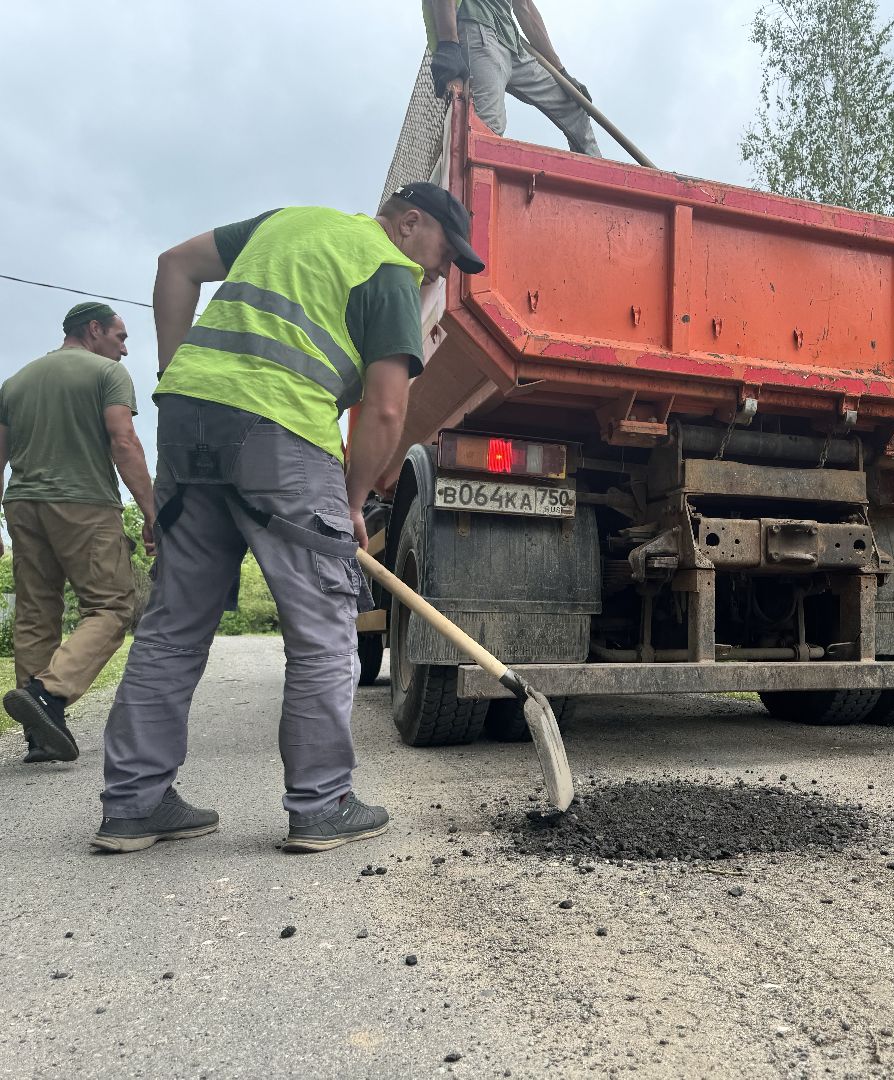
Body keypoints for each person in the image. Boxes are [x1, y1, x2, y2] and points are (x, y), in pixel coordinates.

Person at [94, 183, 484, 854]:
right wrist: (353, 501)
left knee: (173, 623)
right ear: (411, 224)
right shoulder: (388, 268)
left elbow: (173, 264)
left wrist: (175, 370)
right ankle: (322, 802)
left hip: (189, 423)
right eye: (444, 257)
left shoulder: (287, 222)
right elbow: (389, 411)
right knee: (325, 626)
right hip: (279, 434)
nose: (440, 274)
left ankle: (133, 803)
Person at [0, 302, 156, 764]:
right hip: (83, 502)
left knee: (34, 610)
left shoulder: (17, 381)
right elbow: (123, 441)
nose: (125, 350)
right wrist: (151, 512)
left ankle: (41, 735)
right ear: (94, 330)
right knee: (110, 606)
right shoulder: (106, 375)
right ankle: (48, 695)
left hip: (22, 504)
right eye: (120, 337)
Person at [425, 0, 602, 158]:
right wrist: (448, 43)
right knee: (485, 130)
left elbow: (525, 7)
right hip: (479, 32)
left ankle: (600, 182)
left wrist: (561, 72)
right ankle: (475, 189)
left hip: (514, 44)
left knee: (573, 106)